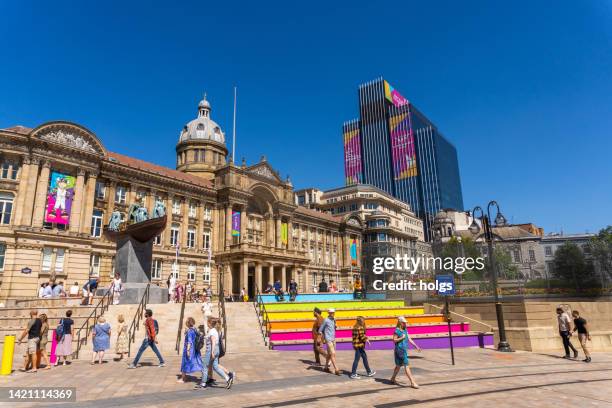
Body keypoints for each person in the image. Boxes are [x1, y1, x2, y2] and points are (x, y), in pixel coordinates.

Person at [195, 318, 234, 390]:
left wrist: (212, 352)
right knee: (215, 367)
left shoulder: (212, 331)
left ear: (210, 324)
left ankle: (203, 384)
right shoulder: (214, 331)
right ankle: (228, 379)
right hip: (216, 350)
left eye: (207, 323)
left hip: (211, 350)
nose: (207, 324)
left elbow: (213, 341)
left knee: (204, 366)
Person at [390, 316, 421, 388]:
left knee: (398, 366)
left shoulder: (405, 330)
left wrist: (416, 346)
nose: (405, 324)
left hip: (404, 350)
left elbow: (409, 338)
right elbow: (394, 340)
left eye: (405, 323)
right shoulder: (397, 331)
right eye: (404, 323)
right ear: (400, 323)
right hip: (399, 350)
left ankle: (392, 378)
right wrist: (402, 338)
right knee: (407, 366)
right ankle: (413, 383)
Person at [178, 317, 203, 383]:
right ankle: (205, 375)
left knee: (185, 363)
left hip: (189, 349)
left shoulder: (189, 331)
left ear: (188, 323)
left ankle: (183, 379)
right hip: (195, 349)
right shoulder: (194, 330)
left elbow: (189, 341)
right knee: (198, 362)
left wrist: (188, 350)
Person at [319, 308, 340, 375]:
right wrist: (321, 337)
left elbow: (333, 328)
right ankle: (336, 369)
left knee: (329, 354)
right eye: (331, 312)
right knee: (332, 353)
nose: (332, 313)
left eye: (333, 312)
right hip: (328, 339)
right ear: (328, 313)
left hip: (333, 339)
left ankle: (325, 367)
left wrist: (335, 326)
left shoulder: (334, 319)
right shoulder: (326, 320)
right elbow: (320, 329)